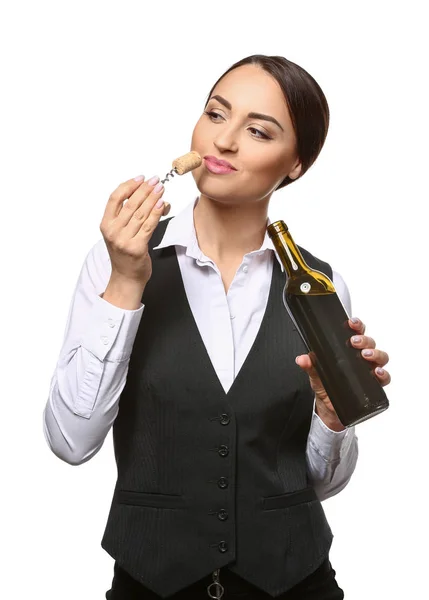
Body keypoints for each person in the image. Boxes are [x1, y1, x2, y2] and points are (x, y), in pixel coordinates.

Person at [43, 54, 391, 599]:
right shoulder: (118, 262)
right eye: (214, 114)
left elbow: (319, 484)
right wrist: (127, 285)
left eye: (257, 130)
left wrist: (331, 415)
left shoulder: (320, 286)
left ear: (296, 163)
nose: (223, 141)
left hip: (295, 584)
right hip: (150, 584)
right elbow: (71, 441)